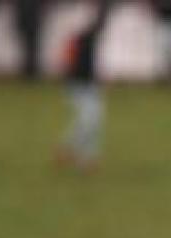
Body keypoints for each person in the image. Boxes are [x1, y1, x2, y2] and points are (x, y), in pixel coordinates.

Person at [58, 7, 108, 172]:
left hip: (88, 84)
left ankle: (80, 155)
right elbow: (68, 61)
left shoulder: (89, 36)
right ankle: (80, 156)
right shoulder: (79, 36)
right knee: (89, 120)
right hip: (78, 85)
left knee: (92, 121)